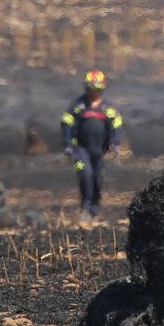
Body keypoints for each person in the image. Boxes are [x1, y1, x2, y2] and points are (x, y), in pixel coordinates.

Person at [60, 69, 123, 218]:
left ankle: (94, 207)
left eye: (96, 89)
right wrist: (67, 144)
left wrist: (115, 142)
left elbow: (117, 123)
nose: (93, 93)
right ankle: (85, 206)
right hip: (81, 149)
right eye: (90, 89)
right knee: (85, 173)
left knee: (97, 179)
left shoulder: (107, 108)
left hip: (100, 151)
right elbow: (66, 122)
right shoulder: (79, 105)